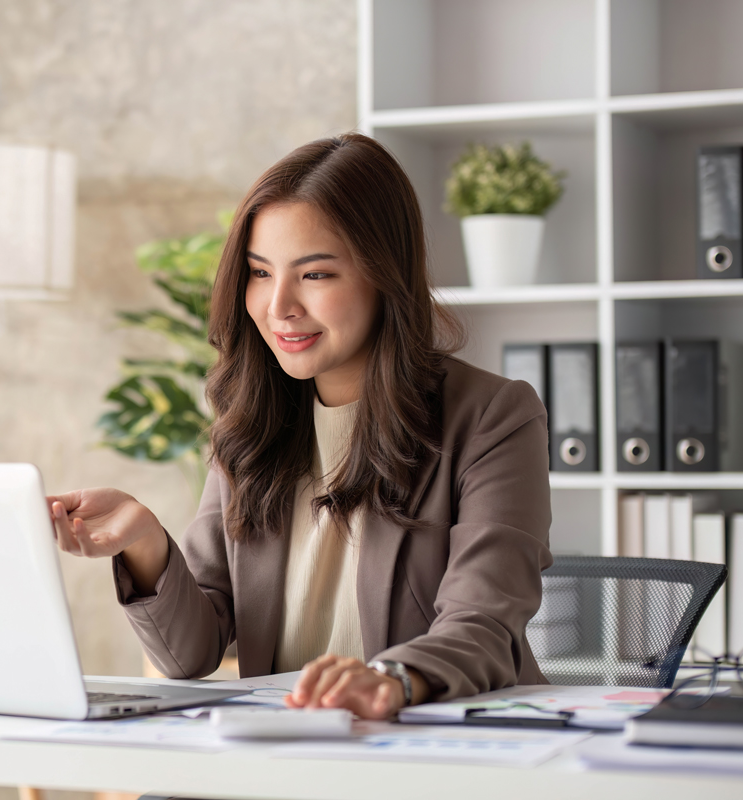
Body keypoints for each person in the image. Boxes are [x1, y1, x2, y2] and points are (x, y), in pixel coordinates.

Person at [48, 132, 552, 720]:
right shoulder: (250, 423)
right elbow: (191, 654)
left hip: (429, 757)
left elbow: (483, 625)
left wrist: (390, 680)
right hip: (286, 759)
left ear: (384, 277)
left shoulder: (494, 417)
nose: (278, 305)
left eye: (314, 275)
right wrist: (146, 545)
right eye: (261, 273)